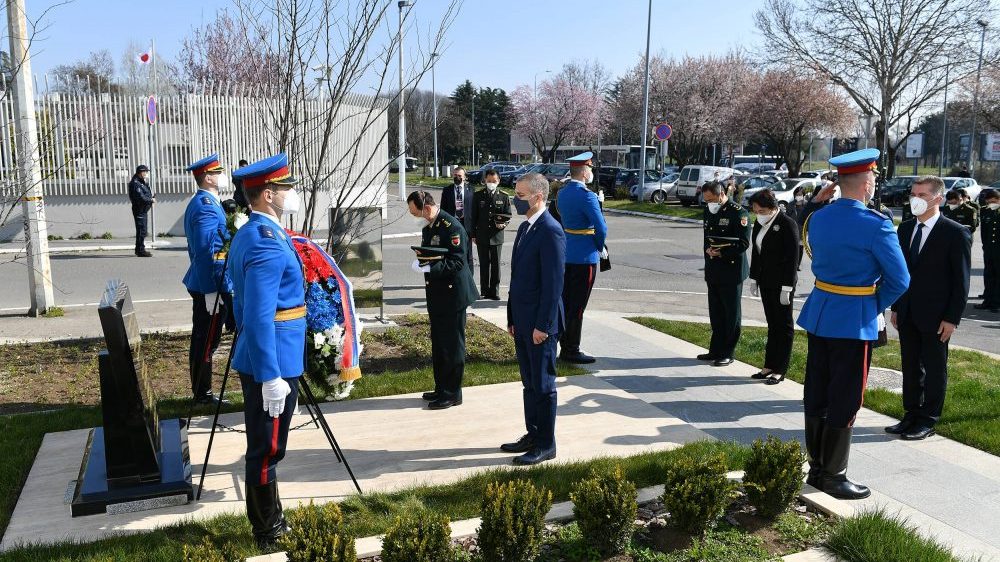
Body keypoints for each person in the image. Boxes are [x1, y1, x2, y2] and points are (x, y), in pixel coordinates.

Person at [798, 148, 909, 500]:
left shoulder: (818, 218)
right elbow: (900, 280)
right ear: (866, 183)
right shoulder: (876, 224)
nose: (875, 183)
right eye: (874, 178)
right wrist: (871, 304)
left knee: (817, 391)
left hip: (820, 312)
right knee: (846, 397)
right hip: (853, 318)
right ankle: (833, 476)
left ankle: (817, 468)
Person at [229, 153, 303, 549]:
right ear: (268, 194)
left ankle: (271, 517)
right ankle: (267, 530)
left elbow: (240, 305)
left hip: (266, 354)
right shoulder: (266, 244)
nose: (291, 194)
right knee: (267, 448)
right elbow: (257, 316)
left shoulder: (255, 232)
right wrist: (270, 376)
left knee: (265, 444)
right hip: (271, 360)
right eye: (286, 189)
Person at [889, 176, 971, 441]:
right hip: (908, 311)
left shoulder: (955, 232)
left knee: (935, 368)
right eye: (913, 193)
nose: (915, 199)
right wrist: (897, 308)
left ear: (938, 198)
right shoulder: (905, 229)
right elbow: (902, 274)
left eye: (922, 195)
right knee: (910, 365)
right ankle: (911, 413)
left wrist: (952, 318)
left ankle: (928, 419)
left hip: (937, 316)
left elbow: (961, 282)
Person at [502, 172, 566, 465]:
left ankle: (546, 443)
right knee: (529, 383)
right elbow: (518, 280)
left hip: (541, 325)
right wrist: (513, 317)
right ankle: (533, 433)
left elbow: (553, 285)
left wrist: (543, 326)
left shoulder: (550, 230)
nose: (515, 200)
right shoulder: (526, 227)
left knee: (543, 384)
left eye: (520, 195)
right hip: (524, 322)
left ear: (538, 197)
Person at [408, 190, 478, 409]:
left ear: (427, 208)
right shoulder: (431, 226)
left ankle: (452, 392)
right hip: (438, 295)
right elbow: (430, 253)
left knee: (452, 346)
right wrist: (424, 263)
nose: (415, 216)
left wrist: (430, 267)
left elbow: (458, 262)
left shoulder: (452, 227)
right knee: (440, 345)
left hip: (453, 295)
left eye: (416, 212)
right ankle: (442, 388)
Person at [182, 153, 233, 405]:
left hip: (209, 283)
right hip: (210, 285)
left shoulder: (208, 202)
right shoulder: (205, 206)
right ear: (208, 177)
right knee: (206, 340)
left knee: (206, 338)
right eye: (219, 171)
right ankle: (203, 393)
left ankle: (202, 391)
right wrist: (211, 290)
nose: (223, 175)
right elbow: (205, 251)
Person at [556, 151, 607, 364]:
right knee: (577, 306)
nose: (592, 172)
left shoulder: (562, 193)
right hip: (585, 257)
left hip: (566, 253)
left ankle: (563, 343)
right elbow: (601, 228)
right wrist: (599, 247)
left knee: (566, 301)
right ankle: (571, 349)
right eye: (591, 169)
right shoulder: (588, 196)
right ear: (585, 173)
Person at [748, 189, 799, 385]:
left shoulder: (787, 224)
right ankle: (769, 365)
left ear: (772, 208)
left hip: (782, 284)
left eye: (760, 210)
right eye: (755, 210)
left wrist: (787, 286)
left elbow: (792, 258)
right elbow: (757, 253)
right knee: (772, 325)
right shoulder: (760, 224)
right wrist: (754, 278)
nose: (757, 214)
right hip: (766, 281)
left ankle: (780, 369)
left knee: (784, 325)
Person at [698, 180, 751, 367]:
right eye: (706, 200)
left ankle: (728, 352)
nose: (708, 203)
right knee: (716, 312)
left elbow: (744, 243)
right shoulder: (709, 210)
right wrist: (708, 251)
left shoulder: (739, 213)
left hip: (731, 270)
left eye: (711, 199)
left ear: (721, 195)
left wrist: (722, 252)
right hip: (713, 269)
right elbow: (707, 236)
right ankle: (715, 349)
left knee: (731, 313)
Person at [472, 169, 511, 300]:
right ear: (485, 181)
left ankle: (495, 291)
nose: (491, 183)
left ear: (499, 181)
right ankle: (484, 290)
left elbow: (508, 215)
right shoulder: (478, 196)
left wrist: (503, 225)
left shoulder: (504, 196)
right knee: (484, 264)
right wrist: (473, 234)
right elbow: (474, 216)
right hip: (481, 235)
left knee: (496, 265)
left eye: (494, 181)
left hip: (497, 236)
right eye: (489, 181)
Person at [440, 166, 476, 271]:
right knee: (453, 249)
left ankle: (469, 275)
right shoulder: (447, 190)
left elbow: (474, 210)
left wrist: (475, 229)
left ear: (464, 177)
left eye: (459, 175)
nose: (457, 177)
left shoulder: (471, 189)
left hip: (467, 224)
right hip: (453, 224)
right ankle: (455, 273)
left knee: (468, 251)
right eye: (455, 175)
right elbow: (443, 210)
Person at [975, 188, 1000, 312]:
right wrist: (985, 246)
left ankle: (996, 302)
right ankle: (987, 300)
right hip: (989, 249)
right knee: (989, 275)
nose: (992, 203)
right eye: (989, 201)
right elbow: (984, 231)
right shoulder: (985, 211)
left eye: (994, 201)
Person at [127, 165, 155, 257]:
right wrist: (150, 200)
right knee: (141, 230)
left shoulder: (141, 182)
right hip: (139, 210)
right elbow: (140, 197)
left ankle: (139, 249)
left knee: (143, 230)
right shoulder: (135, 183)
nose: (146, 174)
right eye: (145, 172)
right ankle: (140, 250)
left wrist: (151, 197)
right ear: (141, 172)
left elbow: (145, 193)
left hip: (143, 210)